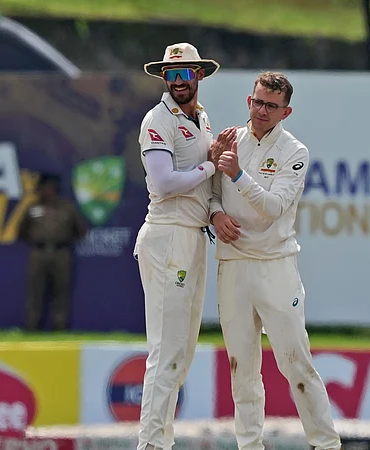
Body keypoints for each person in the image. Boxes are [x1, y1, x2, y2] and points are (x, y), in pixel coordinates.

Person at [209, 71, 341, 450]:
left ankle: (326, 444)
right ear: (248, 100)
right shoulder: (230, 139)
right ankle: (249, 445)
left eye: (271, 105)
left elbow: (273, 208)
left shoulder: (294, 152)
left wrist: (237, 173)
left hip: (274, 264)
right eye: (257, 101)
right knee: (241, 367)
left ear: (286, 112)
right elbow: (212, 194)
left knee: (295, 362)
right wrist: (216, 215)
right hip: (232, 263)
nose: (262, 110)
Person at [134, 42, 223, 450]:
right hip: (168, 234)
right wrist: (209, 165)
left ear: (199, 75)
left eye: (186, 73)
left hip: (192, 236)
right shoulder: (158, 119)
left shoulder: (201, 117)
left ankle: (160, 441)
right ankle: (151, 444)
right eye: (171, 74)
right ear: (164, 78)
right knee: (167, 350)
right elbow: (162, 183)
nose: (179, 82)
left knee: (182, 352)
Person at [19, 173, 86, 331]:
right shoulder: (33, 208)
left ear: (53, 189)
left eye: (45, 188)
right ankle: (32, 327)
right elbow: (21, 230)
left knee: (61, 291)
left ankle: (60, 327)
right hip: (39, 252)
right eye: (41, 188)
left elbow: (81, 230)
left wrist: (64, 241)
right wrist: (37, 241)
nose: (42, 192)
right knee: (35, 291)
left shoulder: (66, 208)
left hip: (61, 252)